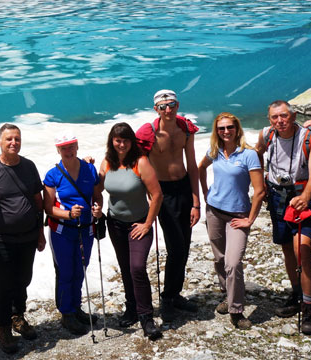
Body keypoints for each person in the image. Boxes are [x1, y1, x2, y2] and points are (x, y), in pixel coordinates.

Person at [0, 123, 46, 354]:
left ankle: (18, 316)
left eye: (17, 138)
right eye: (8, 139)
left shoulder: (29, 166)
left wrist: (40, 233)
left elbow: (38, 201)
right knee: (3, 285)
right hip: (0, 240)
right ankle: (3, 327)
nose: (13, 142)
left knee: (23, 280)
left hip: (27, 237)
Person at [255, 100, 311, 335]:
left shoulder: (309, 137)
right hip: (277, 198)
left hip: (301, 198)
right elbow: (257, 156)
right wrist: (260, 186)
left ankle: (309, 305)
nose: (279, 121)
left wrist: (306, 196)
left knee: (302, 250)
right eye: (274, 117)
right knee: (286, 247)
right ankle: (297, 293)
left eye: (284, 116)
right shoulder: (266, 135)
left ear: (293, 115)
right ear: (269, 119)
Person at [135, 89, 201, 320]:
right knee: (176, 247)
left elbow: (192, 164)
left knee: (184, 244)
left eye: (171, 104)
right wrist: (147, 194)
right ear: (156, 109)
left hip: (183, 188)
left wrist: (196, 201)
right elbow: (137, 163)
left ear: (177, 104)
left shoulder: (185, 128)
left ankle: (173, 294)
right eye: (163, 106)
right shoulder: (148, 132)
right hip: (162, 193)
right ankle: (168, 298)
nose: (168, 109)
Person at [198, 113, 265, 330]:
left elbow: (259, 191)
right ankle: (227, 296)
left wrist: (250, 219)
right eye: (221, 128)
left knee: (233, 262)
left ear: (237, 128)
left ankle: (236, 310)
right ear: (216, 131)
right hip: (214, 211)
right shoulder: (215, 151)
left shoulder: (249, 154)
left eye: (229, 127)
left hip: (238, 215)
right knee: (219, 258)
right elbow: (200, 169)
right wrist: (206, 193)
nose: (225, 132)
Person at [98, 122, 164, 341]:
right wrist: (87, 167)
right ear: (112, 141)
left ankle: (146, 316)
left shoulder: (141, 162)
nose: (122, 144)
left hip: (138, 224)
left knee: (137, 268)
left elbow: (157, 195)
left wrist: (147, 224)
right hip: (115, 223)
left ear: (131, 141)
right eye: (118, 140)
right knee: (126, 268)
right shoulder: (107, 163)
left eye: (126, 140)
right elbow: (96, 188)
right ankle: (131, 308)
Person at [43, 134, 102, 335]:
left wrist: (98, 210)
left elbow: (97, 197)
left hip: (86, 229)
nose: (68, 151)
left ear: (77, 147)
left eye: (71, 147)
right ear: (58, 150)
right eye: (64, 148)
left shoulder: (89, 169)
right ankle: (66, 314)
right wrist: (68, 214)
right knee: (66, 271)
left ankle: (76, 308)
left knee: (80, 269)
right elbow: (48, 208)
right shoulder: (53, 175)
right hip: (62, 231)